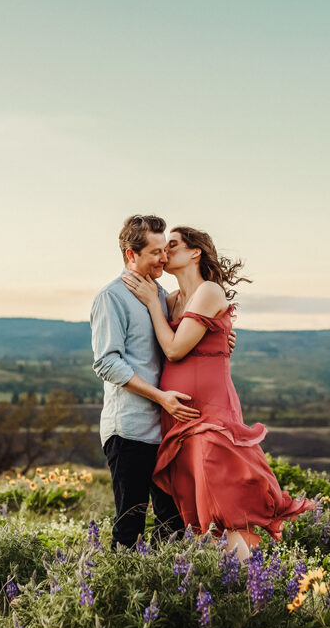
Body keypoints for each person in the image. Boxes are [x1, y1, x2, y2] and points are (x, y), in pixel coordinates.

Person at [122, 225, 314, 559]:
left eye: (173, 245)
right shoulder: (171, 299)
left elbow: (174, 351)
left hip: (211, 412)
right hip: (178, 418)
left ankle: (247, 583)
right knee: (199, 505)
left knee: (226, 495)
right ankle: (223, 583)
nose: (165, 253)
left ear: (195, 252)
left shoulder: (207, 291)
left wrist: (152, 303)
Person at [91, 215, 217, 550]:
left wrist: (219, 342)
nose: (163, 258)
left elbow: (178, 341)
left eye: (165, 250)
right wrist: (160, 397)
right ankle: (119, 598)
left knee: (172, 526)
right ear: (131, 255)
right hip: (129, 430)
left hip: (166, 431)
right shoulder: (111, 297)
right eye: (154, 252)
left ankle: (163, 597)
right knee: (129, 526)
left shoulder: (159, 295)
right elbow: (106, 362)